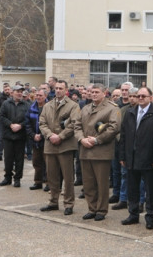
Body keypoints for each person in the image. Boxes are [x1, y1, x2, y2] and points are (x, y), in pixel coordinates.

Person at [119, 86, 153, 229]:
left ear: (150, 98)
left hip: (149, 159)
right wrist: (122, 155)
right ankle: (133, 214)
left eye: (143, 96)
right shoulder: (130, 113)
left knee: (150, 190)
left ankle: (150, 216)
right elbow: (124, 136)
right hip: (131, 158)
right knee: (132, 188)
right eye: (138, 96)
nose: (140, 98)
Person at [74, 83, 119, 221]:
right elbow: (77, 126)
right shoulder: (85, 108)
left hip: (101, 151)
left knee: (102, 183)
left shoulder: (112, 108)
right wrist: (81, 139)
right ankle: (92, 208)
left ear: (104, 93)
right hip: (85, 150)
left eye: (97, 92)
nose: (93, 94)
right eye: (92, 92)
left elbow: (114, 128)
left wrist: (97, 140)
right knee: (88, 183)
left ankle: (101, 210)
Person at [39, 80, 81, 215]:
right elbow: (42, 123)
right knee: (52, 176)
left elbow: (74, 124)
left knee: (68, 177)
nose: (58, 90)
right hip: (50, 145)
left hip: (66, 146)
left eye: (61, 88)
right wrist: (50, 135)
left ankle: (69, 204)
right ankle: (53, 202)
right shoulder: (48, 105)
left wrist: (60, 136)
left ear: (66, 90)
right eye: (56, 88)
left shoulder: (73, 106)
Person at [0, 84, 29, 187]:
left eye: (21, 91)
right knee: (8, 159)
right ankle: (7, 177)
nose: (20, 93)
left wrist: (20, 126)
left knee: (19, 159)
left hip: (20, 136)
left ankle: (17, 179)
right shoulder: (6, 104)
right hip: (8, 136)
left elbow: (28, 119)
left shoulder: (26, 105)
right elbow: (1, 116)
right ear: (13, 93)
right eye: (17, 91)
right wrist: (10, 125)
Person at [25, 88, 47, 190]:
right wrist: (33, 135)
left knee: (47, 163)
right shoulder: (31, 108)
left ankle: (48, 183)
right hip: (34, 140)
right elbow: (27, 123)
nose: (38, 97)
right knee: (36, 162)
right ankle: (38, 182)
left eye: (40, 95)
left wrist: (41, 135)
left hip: (46, 140)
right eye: (37, 95)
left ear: (45, 96)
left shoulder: (49, 108)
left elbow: (50, 124)